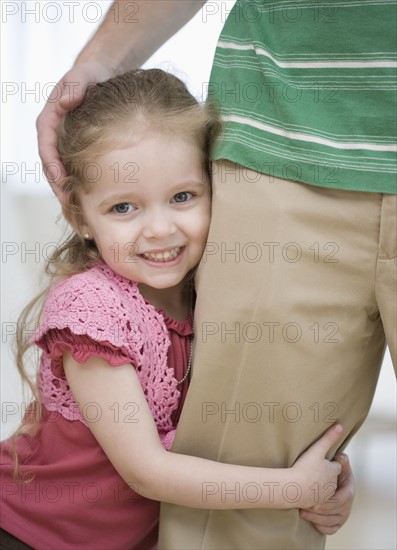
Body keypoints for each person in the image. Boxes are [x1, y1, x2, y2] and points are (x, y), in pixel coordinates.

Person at [34, 1, 396, 548]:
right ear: (78, 216)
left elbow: (261, 437)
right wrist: (291, 489)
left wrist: (322, 479)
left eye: (182, 196)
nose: (160, 231)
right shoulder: (93, 317)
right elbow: (148, 470)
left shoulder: (206, 284)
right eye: (124, 208)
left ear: (212, 184)